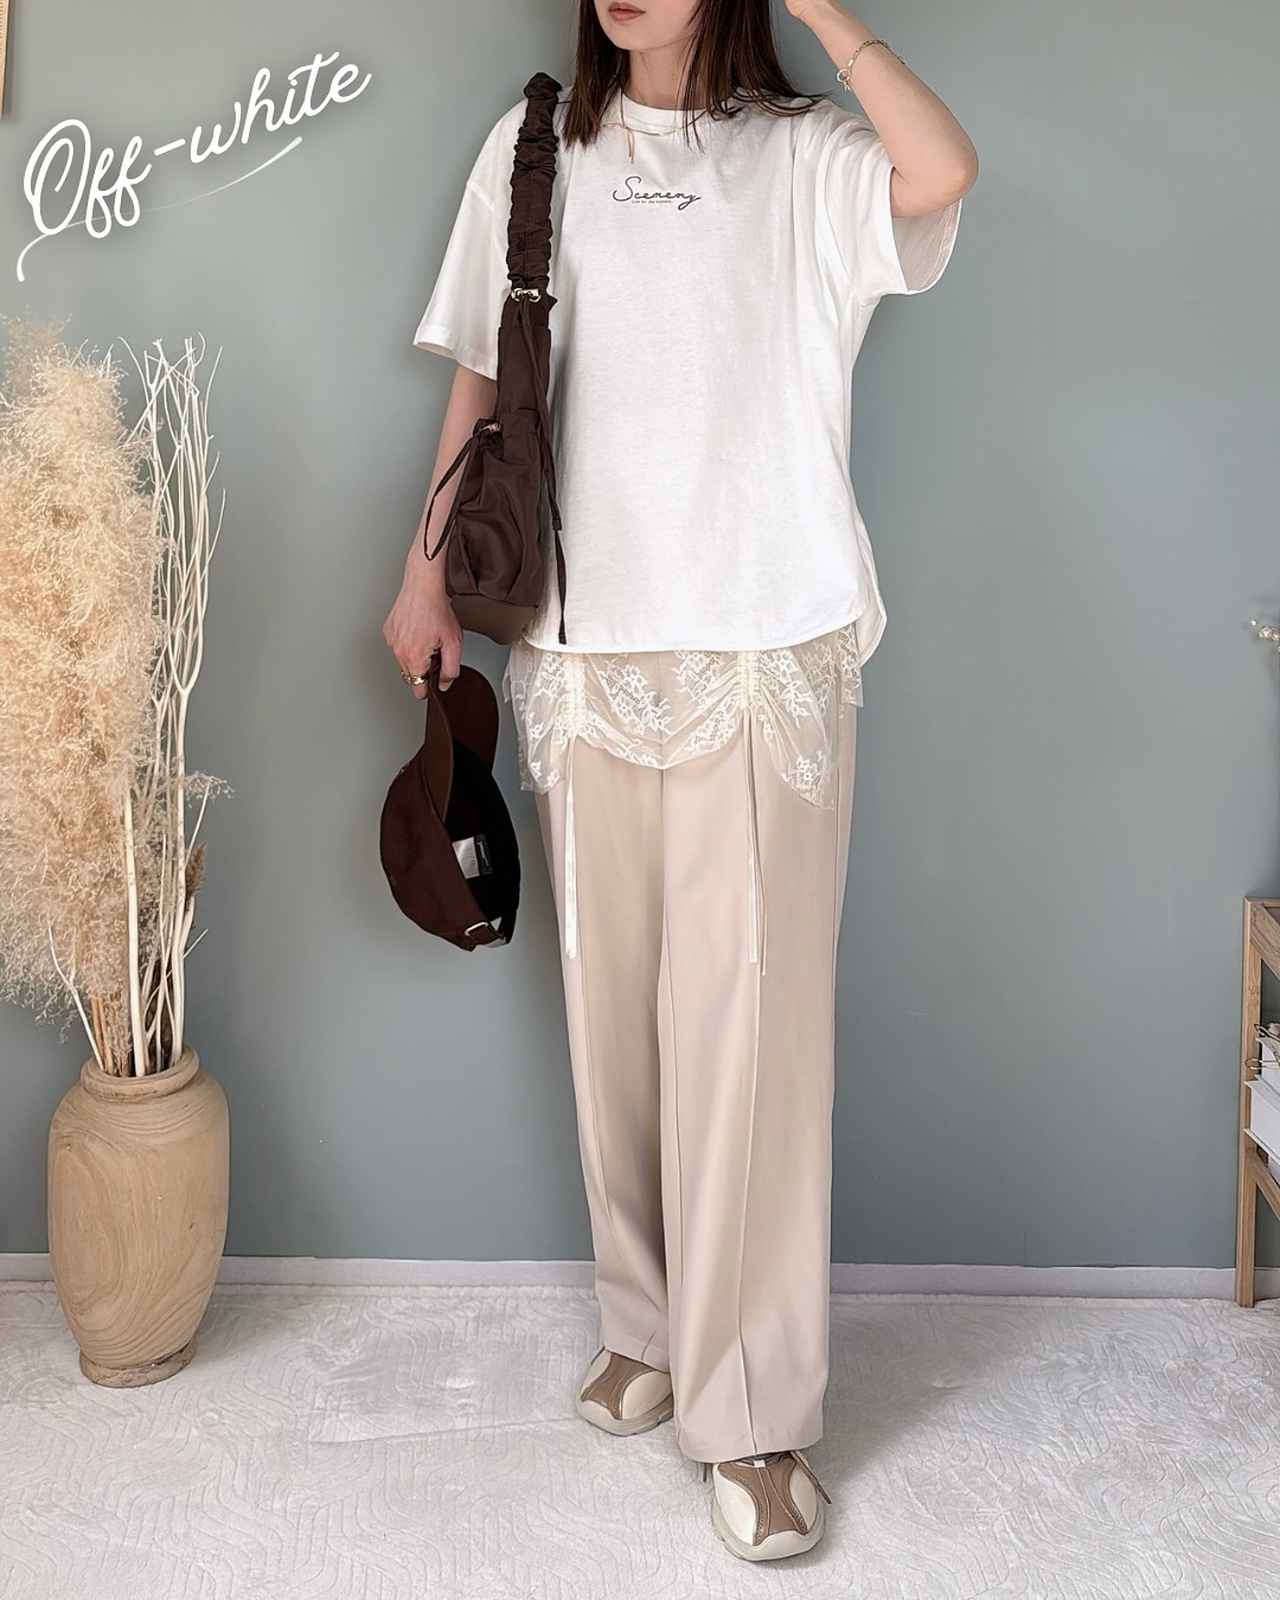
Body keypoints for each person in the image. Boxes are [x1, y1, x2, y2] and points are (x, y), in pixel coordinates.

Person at [384, 0, 977, 1564]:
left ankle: (758, 1415)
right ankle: (648, 1324)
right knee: (617, 1023)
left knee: (751, 1045)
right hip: (582, 651)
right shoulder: (534, 149)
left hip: (761, 646)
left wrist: (824, 13)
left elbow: (939, 171)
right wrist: (424, 574)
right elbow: (483, 378)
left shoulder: (806, 158)